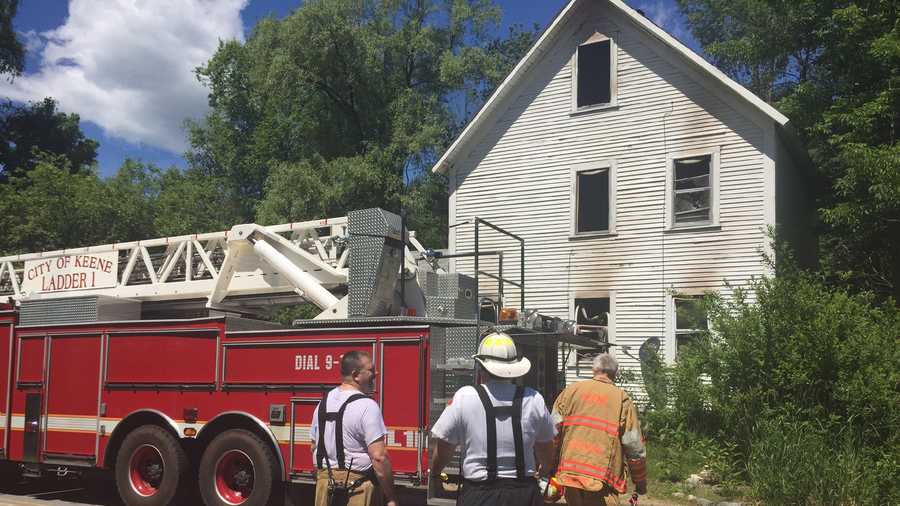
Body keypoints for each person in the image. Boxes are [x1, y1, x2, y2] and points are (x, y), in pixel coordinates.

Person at [430, 332, 556, 506]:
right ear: (514, 368)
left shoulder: (464, 397)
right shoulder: (534, 398)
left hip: (479, 495)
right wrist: (545, 470)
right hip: (524, 494)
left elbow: (445, 447)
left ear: (481, 367)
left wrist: (435, 473)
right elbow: (546, 449)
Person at [551, 353, 647, 506]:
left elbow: (553, 433)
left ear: (593, 370)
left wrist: (549, 466)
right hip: (602, 481)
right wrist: (640, 481)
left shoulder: (570, 392)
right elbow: (633, 445)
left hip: (571, 475)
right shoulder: (622, 399)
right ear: (616, 373)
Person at [311, 350, 399, 506]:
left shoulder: (322, 403)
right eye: (371, 370)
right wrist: (391, 497)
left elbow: (313, 447)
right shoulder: (367, 406)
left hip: (325, 487)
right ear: (356, 375)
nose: (376, 373)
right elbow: (379, 457)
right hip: (358, 490)